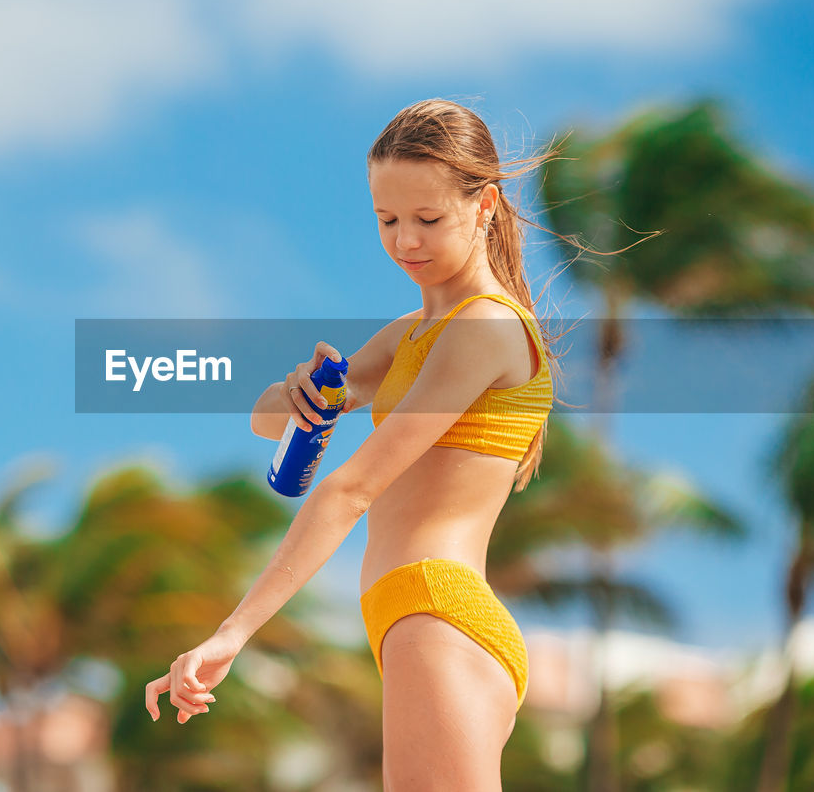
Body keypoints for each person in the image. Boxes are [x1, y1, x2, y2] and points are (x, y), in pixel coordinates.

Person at [145, 98, 564, 789]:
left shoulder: (483, 328)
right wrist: (302, 392)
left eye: (428, 219)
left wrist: (233, 631)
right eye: (388, 219)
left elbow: (351, 488)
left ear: (485, 204)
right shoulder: (413, 334)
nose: (406, 241)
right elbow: (265, 417)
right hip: (416, 618)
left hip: (437, 611)